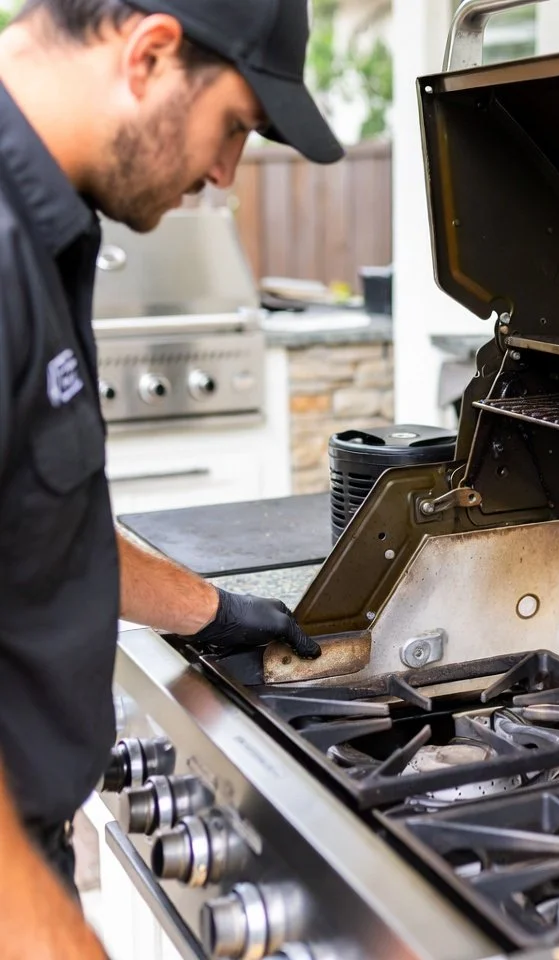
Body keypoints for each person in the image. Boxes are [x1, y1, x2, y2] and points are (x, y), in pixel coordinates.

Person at [0, 0, 342, 954]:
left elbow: (33, 517)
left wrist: (214, 610)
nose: (225, 172)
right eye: (234, 124)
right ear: (151, 52)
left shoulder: (40, 226)